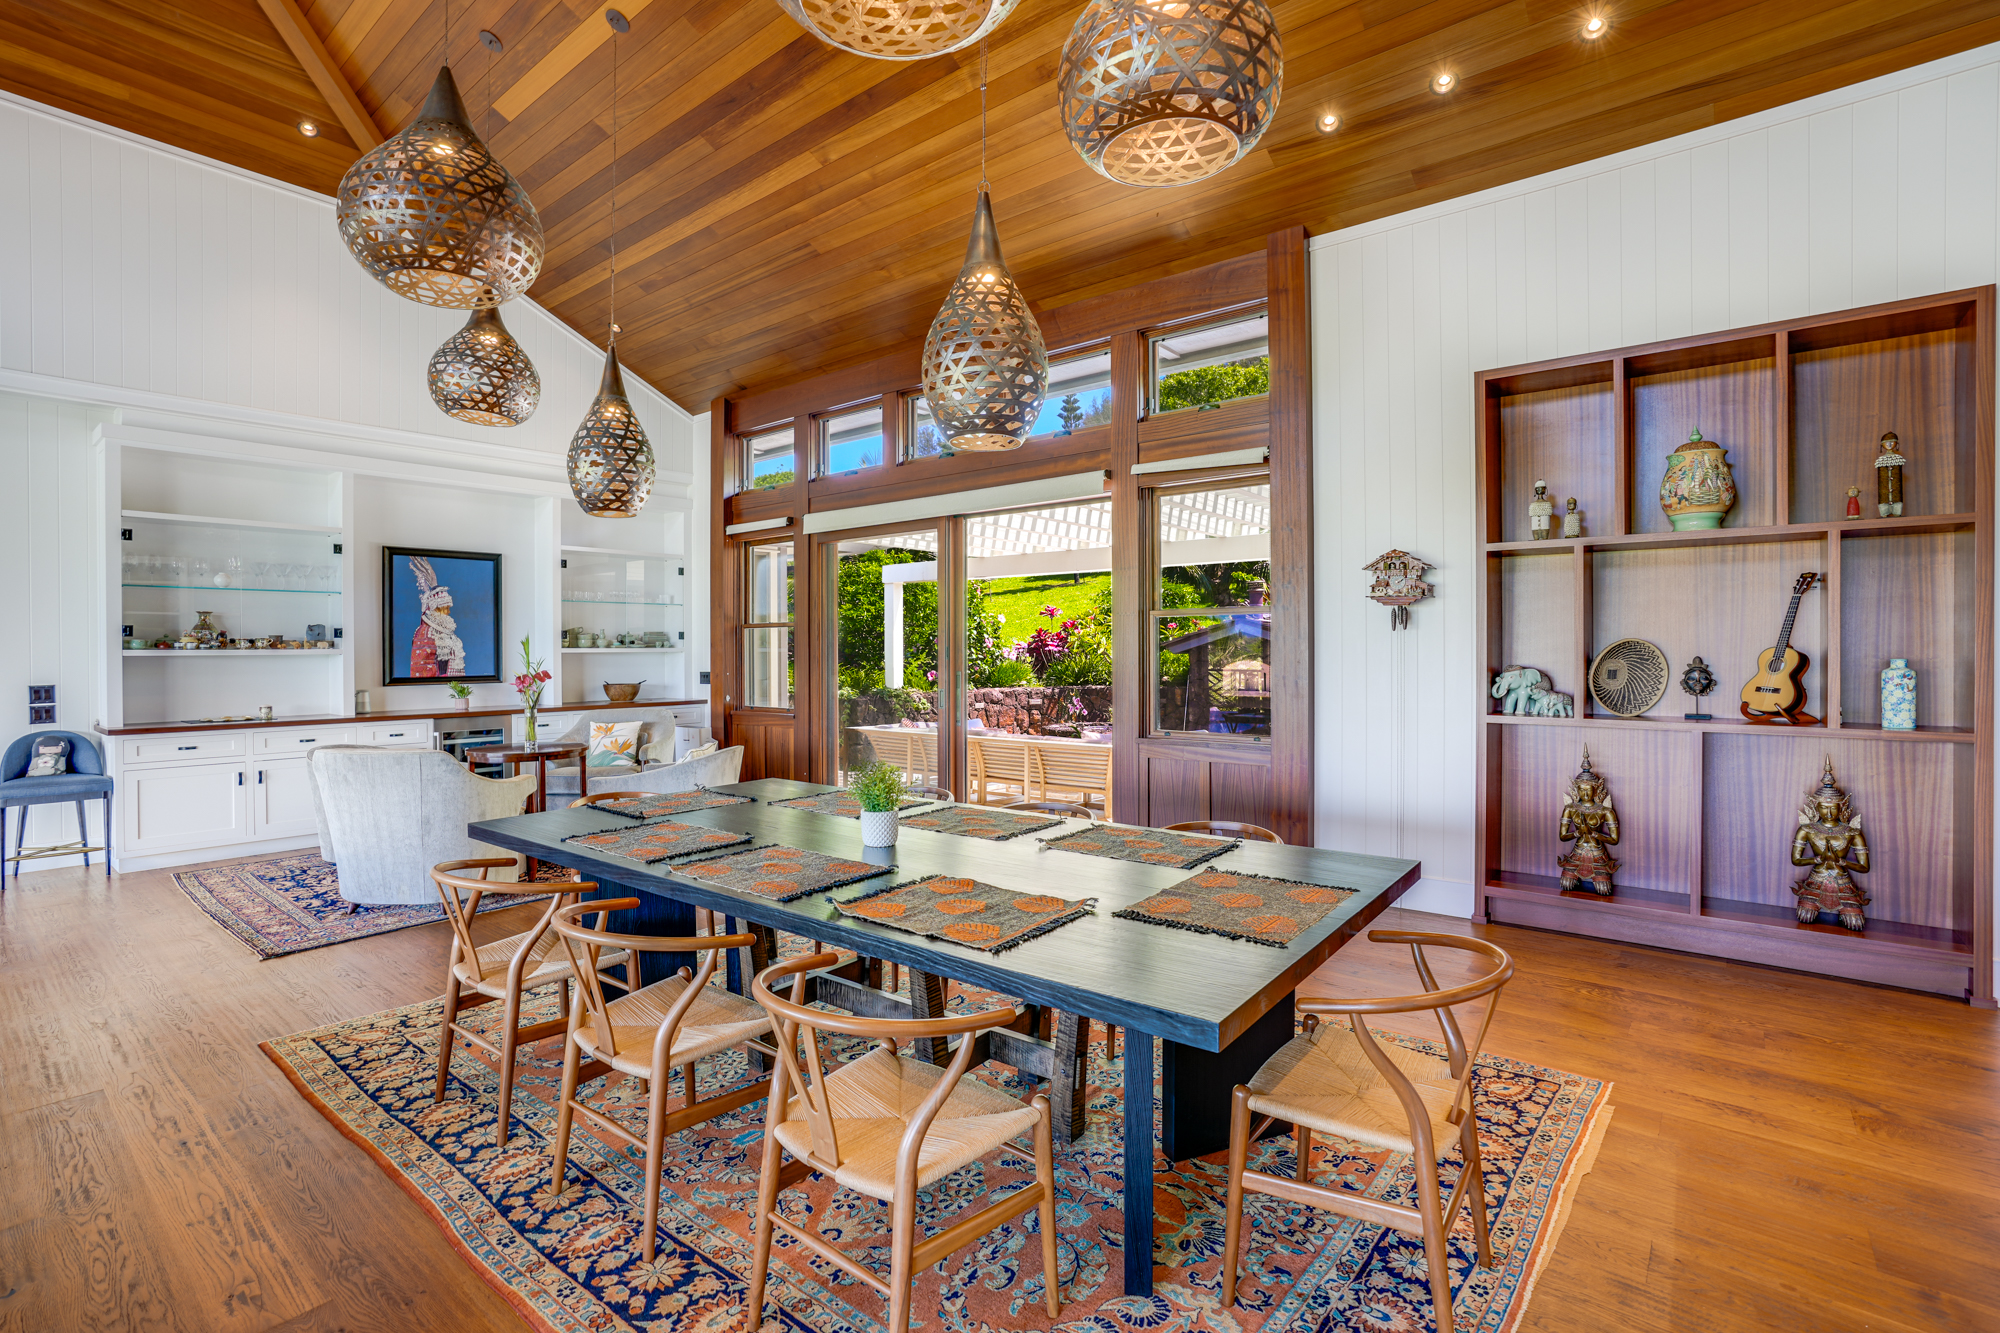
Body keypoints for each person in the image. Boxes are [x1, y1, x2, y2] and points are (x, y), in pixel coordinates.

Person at [409, 556, 467, 678]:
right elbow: (424, 667)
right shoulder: (426, 631)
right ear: (436, 607)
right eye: (445, 608)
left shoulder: (447, 632)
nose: (448, 612)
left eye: (448, 608)